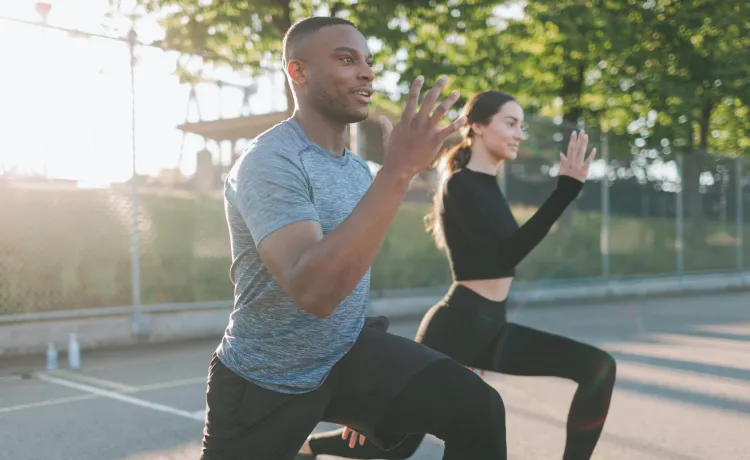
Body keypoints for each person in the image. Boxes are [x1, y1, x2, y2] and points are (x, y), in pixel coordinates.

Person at [200, 16, 512, 460]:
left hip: (344, 356)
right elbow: (315, 291)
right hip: (267, 377)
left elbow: (350, 271)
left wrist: (372, 397)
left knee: (476, 406)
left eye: (368, 62)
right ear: (298, 71)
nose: (366, 72)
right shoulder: (269, 162)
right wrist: (398, 172)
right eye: (346, 60)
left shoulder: (355, 170)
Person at [298, 91, 618, 460]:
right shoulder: (461, 184)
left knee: (597, 367)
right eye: (510, 123)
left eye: (522, 126)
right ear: (478, 127)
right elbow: (505, 256)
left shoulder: (489, 187)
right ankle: (307, 447)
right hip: (457, 326)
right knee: (398, 442)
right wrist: (565, 192)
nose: (518, 134)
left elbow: (504, 256)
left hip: (492, 328)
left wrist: (566, 191)